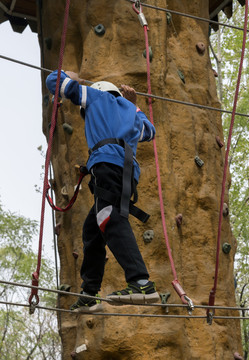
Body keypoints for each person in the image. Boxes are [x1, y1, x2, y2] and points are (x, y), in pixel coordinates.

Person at [46, 70, 160, 313]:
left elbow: (53, 82)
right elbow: (149, 131)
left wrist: (70, 75)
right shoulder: (130, 112)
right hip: (126, 170)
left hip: (108, 164)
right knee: (93, 228)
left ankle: (141, 282)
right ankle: (89, 292)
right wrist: (134, 107)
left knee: (108, 215)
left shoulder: (97, 98)